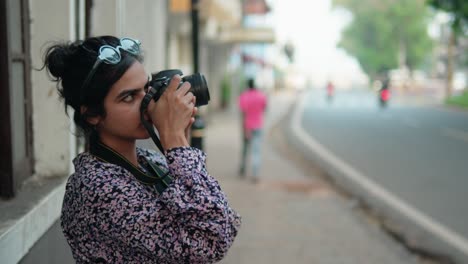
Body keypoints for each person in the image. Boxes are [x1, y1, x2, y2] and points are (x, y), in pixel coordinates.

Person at [43, 36, 241, 263]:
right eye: (128, 97)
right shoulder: (96, 187)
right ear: (92, 114)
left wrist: (178, 141)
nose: (147, 102)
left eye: (146, 89)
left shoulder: (148, 161)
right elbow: (212, 241)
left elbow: (224, 221)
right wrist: (175, 141)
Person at [238, 78, 267, 183]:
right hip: (258, 126)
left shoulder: (244, 96)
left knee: (245, 149)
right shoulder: (261, 95)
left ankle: (243, 168)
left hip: (247, 126)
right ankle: (255, 174)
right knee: (256, 150)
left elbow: (243, 113)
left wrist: (244, 128)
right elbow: (264, 108)